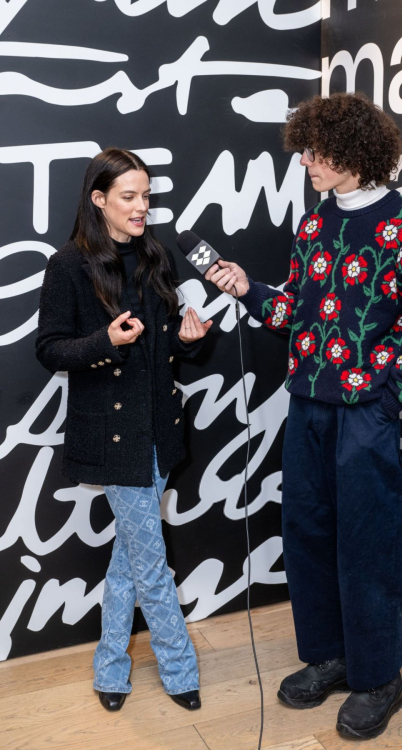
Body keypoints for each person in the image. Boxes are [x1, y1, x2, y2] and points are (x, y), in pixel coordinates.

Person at [206, 92, 402, 740]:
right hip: (307, 403)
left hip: (363, 414)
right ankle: (331, 659)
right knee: (308, 534)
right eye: (304, 152)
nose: (307, 163)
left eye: (315, 152)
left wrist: (387, 397)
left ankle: (378, 679)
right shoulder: (316, 221)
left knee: (368, 545)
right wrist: (249, 291)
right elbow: (296, 308)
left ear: (352, 148)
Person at [36, 148, 212, 713]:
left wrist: (188, 338)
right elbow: (49, 349)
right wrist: (105, 342)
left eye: (146, 196)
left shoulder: (156, 256)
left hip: (160, 428)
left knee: (131, 557)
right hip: (113, 436)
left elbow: (169, 350)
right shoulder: (69, 265)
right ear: (99, 199)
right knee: (152, 563)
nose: (143, 208)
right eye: (129, 197)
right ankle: (180, 669)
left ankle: (111, 668)